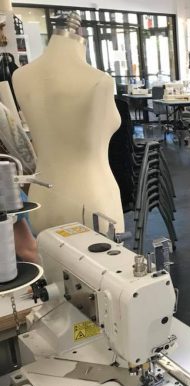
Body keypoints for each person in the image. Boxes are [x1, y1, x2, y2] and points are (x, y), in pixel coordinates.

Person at [12, 13, 124, 235]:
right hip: (92, 197)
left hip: (42, 196)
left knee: (49, 266)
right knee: (99, 267)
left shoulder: (20, 76)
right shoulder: (99, 81)